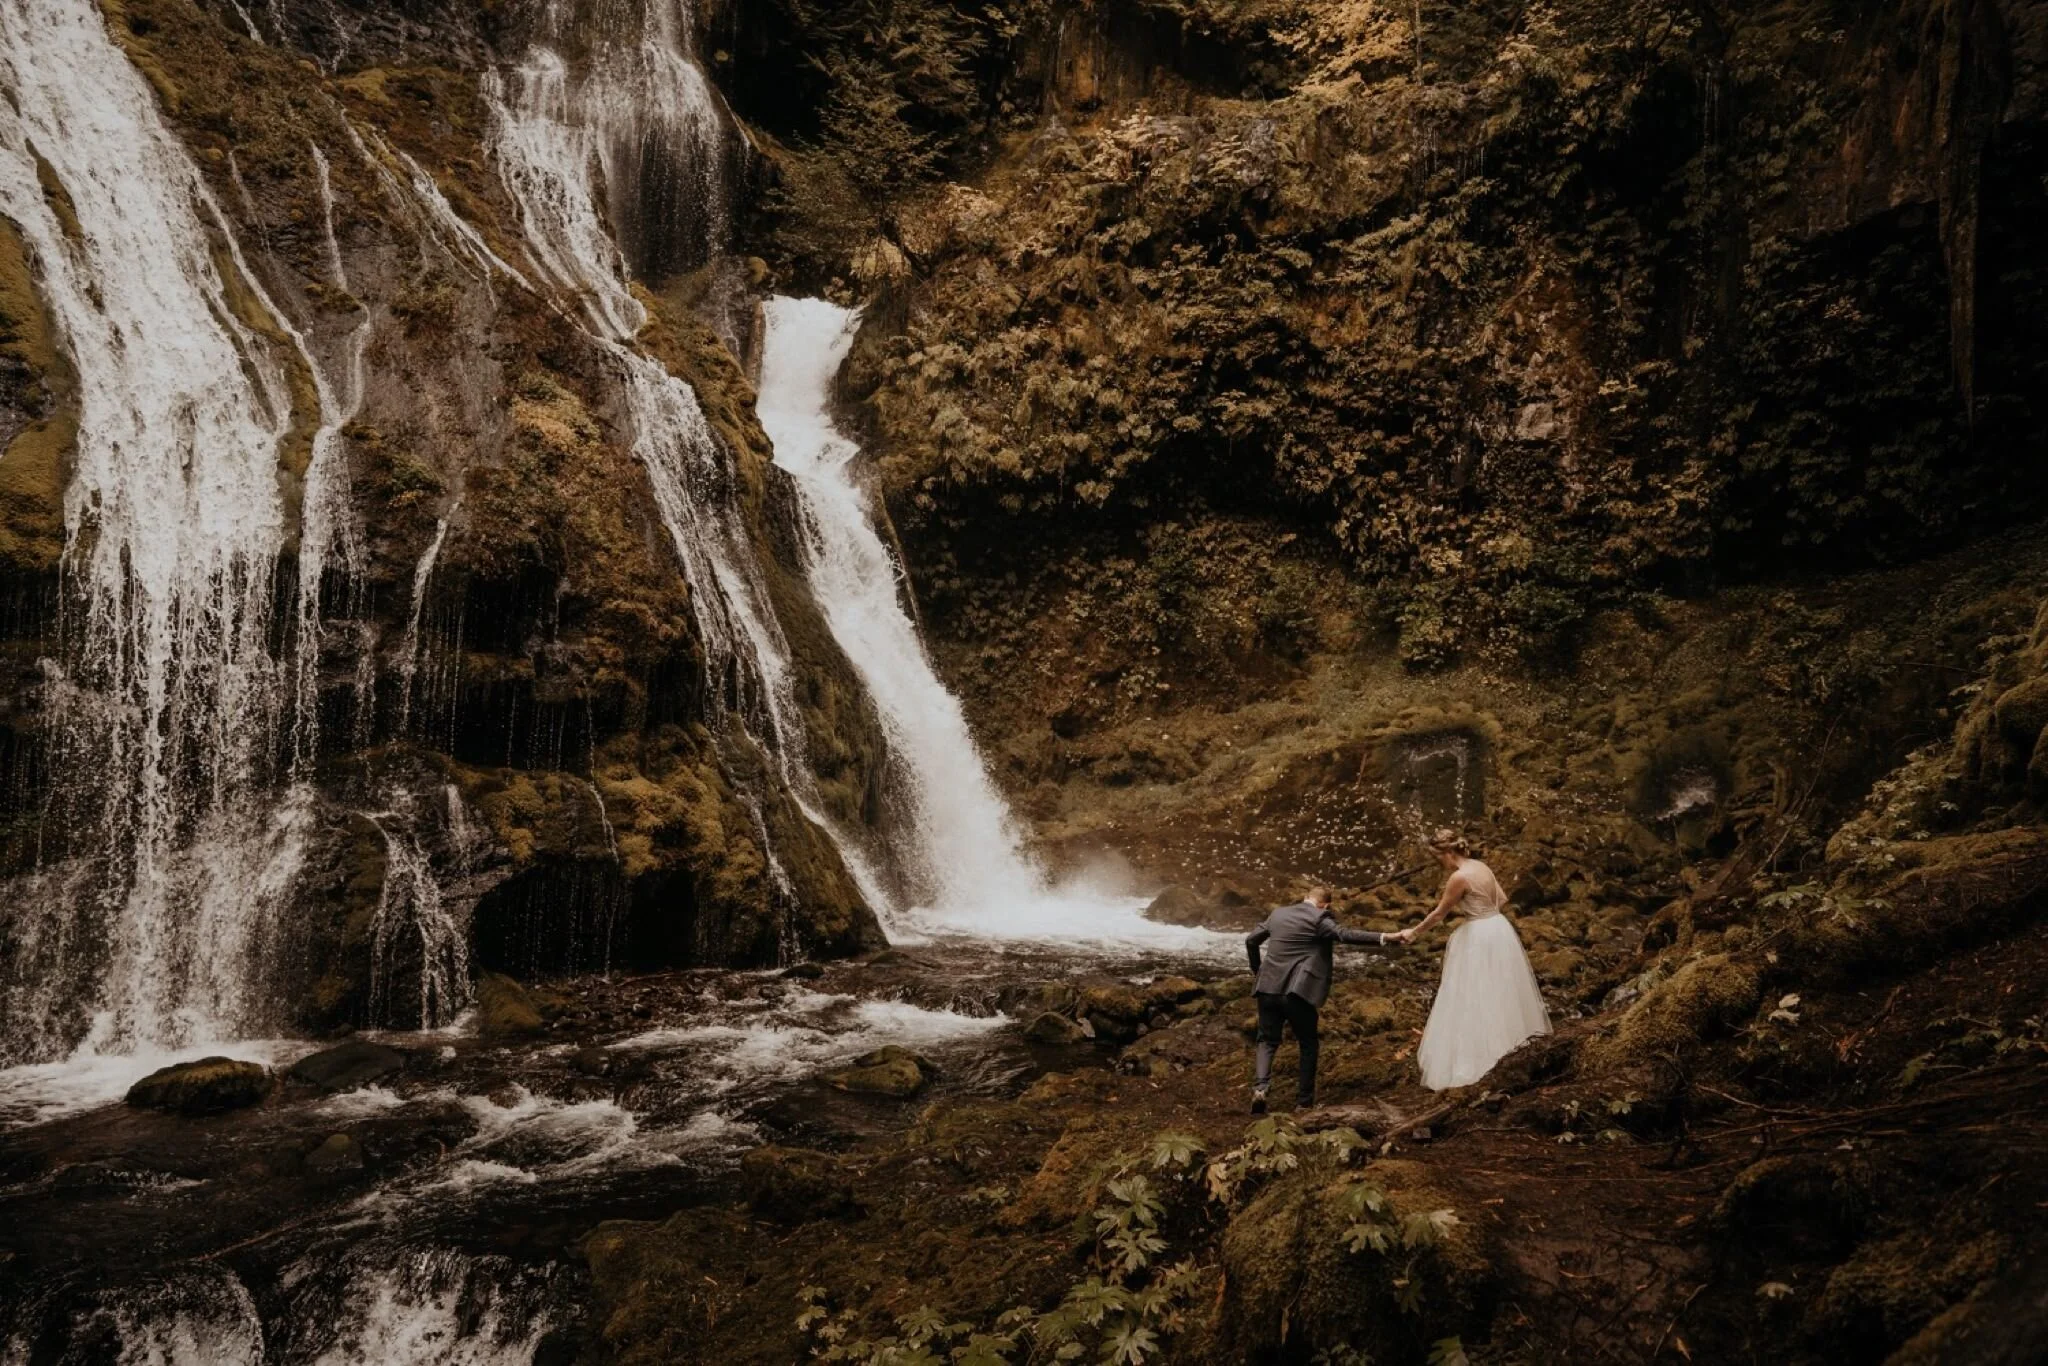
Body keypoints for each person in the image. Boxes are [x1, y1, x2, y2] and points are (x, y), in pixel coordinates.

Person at [1393, 830, 1552, 1090]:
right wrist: (1485, 913)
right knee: (1501, 992)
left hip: (1478, 934)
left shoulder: (1459, 877)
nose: (1439, 865)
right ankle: (1511, 1050)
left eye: (1438, 859)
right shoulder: (1481, 866)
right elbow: (1502, 899)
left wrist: (1413, 932)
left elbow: (1439, 914)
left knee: (1473, 995)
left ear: (1448, 853)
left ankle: (1480, 1061)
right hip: (1499, 929)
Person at [1245, 886, 1397, 1113]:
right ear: (1325, 905)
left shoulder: (1278, 914)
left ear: (1306, 898)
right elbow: (1344, 935)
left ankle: (1261, 1088)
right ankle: (1304, 1103)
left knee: (1266, 1041)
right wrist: (1385, 937)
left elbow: (1251, 940)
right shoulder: (1320, 918)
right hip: (1297, 992)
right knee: (1308, 1044)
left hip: (1267, 988)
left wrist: (1258, 970)